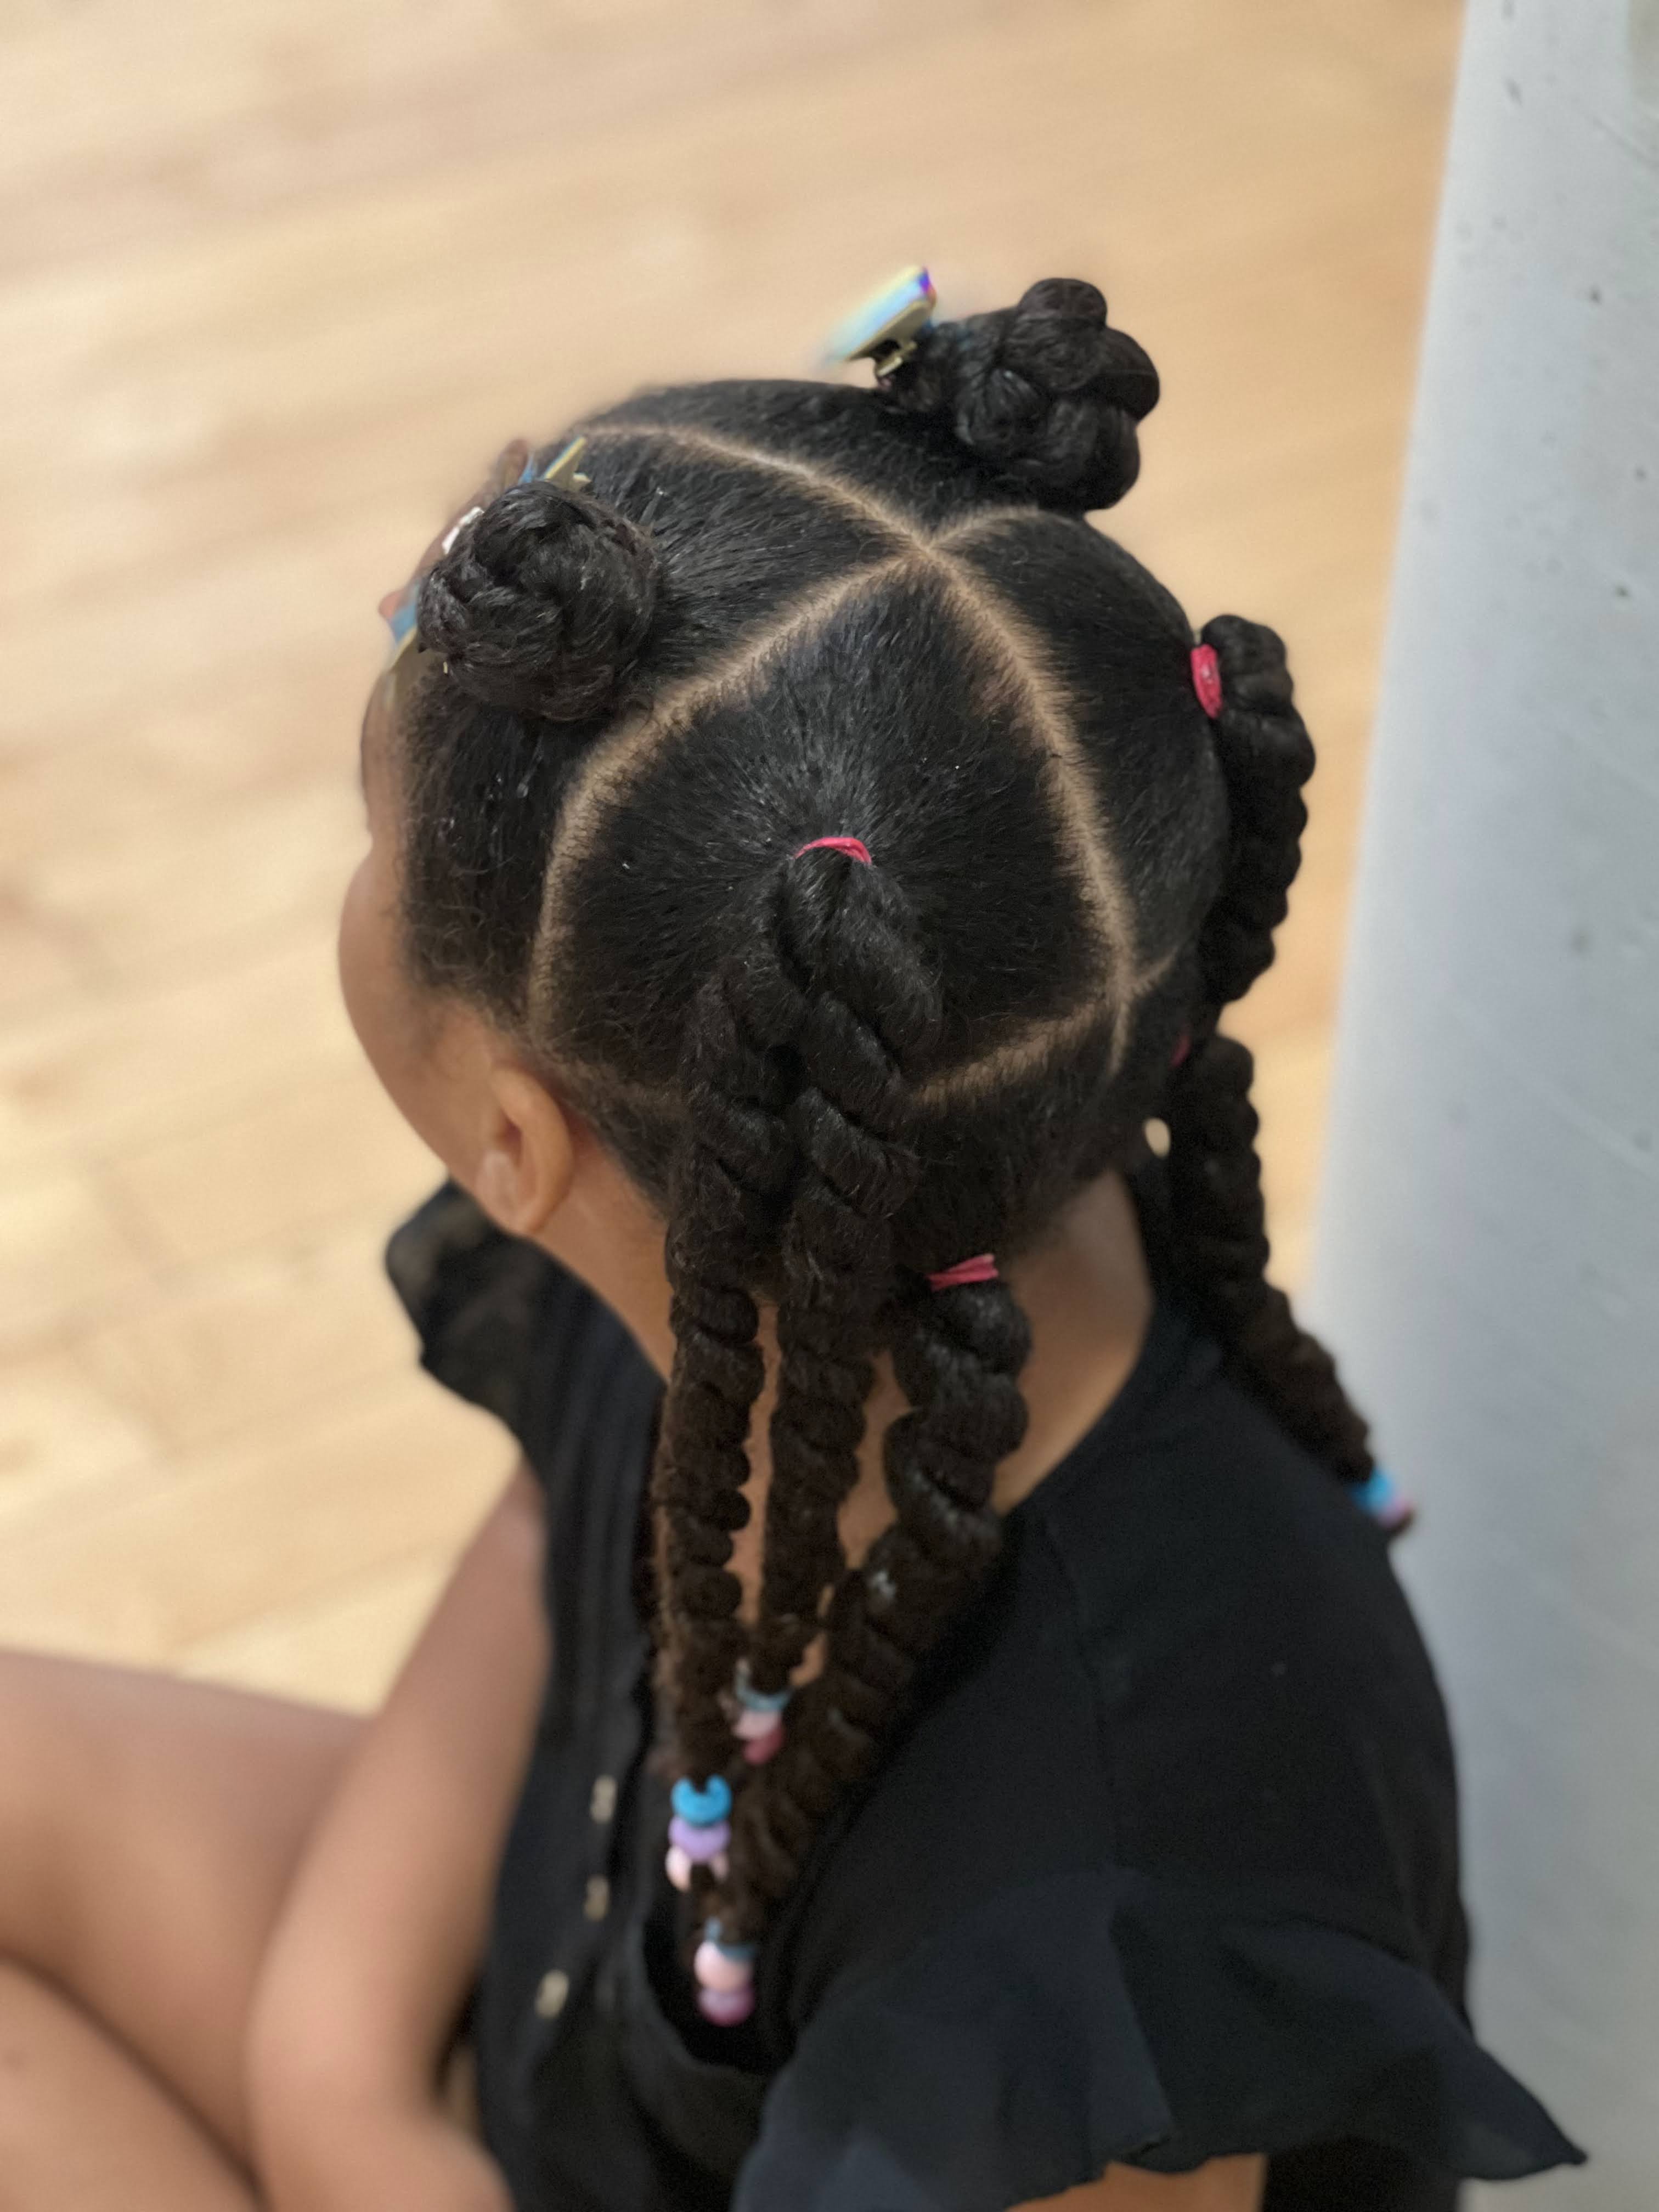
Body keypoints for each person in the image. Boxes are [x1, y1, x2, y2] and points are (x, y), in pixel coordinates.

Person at [0, 277, 1582, 2212]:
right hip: (563, 2044)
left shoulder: (1092, 1939)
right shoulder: (793, 1160)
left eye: (371, 828)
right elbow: (551, 1549)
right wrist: (336, 2085)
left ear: (517, 1135)